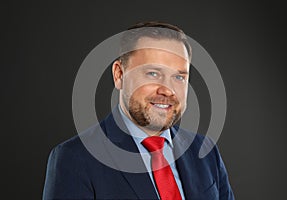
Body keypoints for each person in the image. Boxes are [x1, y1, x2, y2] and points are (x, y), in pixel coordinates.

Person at [43, 21, 235, 200]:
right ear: (119, 75)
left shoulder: (205, 151)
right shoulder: (74, 158)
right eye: (153, 73)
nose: (167, 90)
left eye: (178, 77)